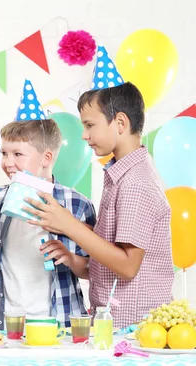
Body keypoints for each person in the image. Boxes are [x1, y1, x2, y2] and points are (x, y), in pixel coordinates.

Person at [24, 82, 174, 327]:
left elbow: (126, 267)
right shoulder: (120, 175)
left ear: (120, 123)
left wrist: (70, 225)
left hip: (134, 329)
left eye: (90, 125)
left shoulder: (135, 183)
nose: (84, 135)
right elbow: (108, 263)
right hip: (113, 324)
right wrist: (73, 258)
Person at [0, 118, 96, 329]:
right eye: (4, 153)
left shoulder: (77, 205)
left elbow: (91, 270)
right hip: (2, 324)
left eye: (17, 154)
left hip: (61, 325)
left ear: (46, 158)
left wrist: (69, 258)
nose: (8, 162)